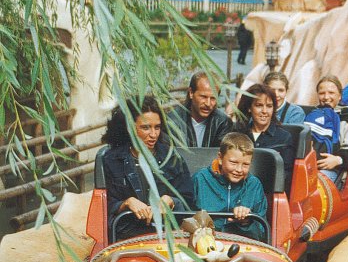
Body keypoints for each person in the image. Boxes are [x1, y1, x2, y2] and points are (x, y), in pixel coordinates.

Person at [103, 96, 194, 241]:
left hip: (169, 235)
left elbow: (189, 202)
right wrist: (126, 203)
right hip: (127, 236)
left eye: (157, 127)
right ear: (131, 127)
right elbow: (103, 206)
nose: (153, 134)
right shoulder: (112, 160)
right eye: (145, 127)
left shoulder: (172, 158)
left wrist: (171, 201)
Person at [193, 132, 267, 241]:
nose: (239, 169)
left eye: (245, 164)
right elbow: (185, 219)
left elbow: (262, 232)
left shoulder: (254, 185)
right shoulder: (200, 179)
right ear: (220, 158)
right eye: (233, 163)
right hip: (204, 241)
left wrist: (246, 222)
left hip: (241, 243)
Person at [236, 83, 296, 190]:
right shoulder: (238, 134)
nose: (264, 111)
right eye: (259, 105)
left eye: (269, 106)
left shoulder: (284, 137)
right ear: (249, 108)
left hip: (268, 192)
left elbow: (286, 175)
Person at [166, 71, 233, 148]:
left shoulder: (222, 122)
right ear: (191, 93)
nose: (208, 104)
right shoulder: (172, 121)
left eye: (213, 98)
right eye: (203, 97)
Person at [304, 75, 348, 184]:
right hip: (307, 164)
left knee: (311, 183)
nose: (326, 97)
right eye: (322, 93)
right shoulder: (311, 115)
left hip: (336, 170)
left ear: (340, 96)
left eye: (331, 93)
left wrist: (338, 160)